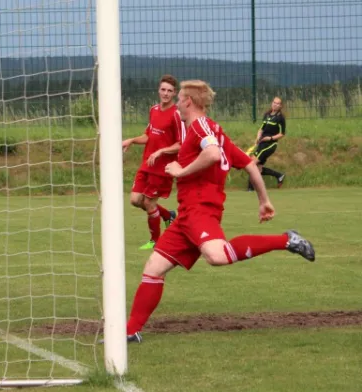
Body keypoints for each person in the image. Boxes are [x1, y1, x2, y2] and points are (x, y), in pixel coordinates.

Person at [125, 81, 315, 343]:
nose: (176, 103)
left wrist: (181, 170)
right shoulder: (214, 130)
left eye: (179, 98)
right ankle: (130, 331)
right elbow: (249, 164)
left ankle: (286, 240)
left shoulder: (201, 126)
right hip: (186, 215)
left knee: (217, 256)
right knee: (153, 269)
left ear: (189, 101)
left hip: (201, 210)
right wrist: (264, 200)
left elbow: (213, 154)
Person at [122, 75, 183, 250]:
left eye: (169, 91)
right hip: (147, 164)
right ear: (158, 90)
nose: (166, 93)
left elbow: (180, 144)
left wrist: (161, 151)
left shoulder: (177, 115)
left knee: (149, 203)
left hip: (163, 168)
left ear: (174, 93)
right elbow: (148, 135)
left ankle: (155, 241)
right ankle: (168, 215)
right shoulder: (154, 110)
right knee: (135, 200)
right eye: (163, 90)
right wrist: (132, 140)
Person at [247, 97, 287, 191]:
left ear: (280, 106)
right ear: (271, 103)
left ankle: (250, 188)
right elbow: (261, 129)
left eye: (278, 103)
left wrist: (271, 138)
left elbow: (282, 134)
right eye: (274, 102)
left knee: (251, 164)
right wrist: (258, 137)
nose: (275, 104)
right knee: (258, 169)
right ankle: (279, 175)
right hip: (262, 143)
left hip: (270, 145)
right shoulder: (267, 115)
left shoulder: (280, 118)